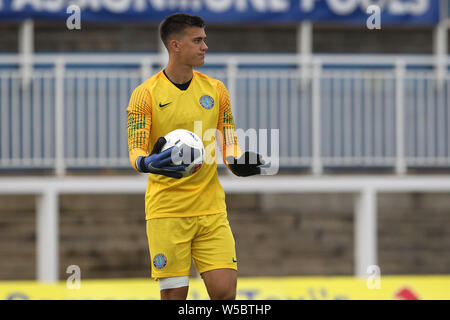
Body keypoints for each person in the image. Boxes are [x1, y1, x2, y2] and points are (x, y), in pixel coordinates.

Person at [126, 13, 266, 300]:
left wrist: (238, 162)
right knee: (175, 297)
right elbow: (136, 148)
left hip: (211, 209)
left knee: (225, 293)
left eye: (205, 40)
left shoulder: (216, 90)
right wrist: (145, 162)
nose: (205, 46)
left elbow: (230, 143)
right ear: (175, 45)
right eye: (198, 40)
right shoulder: (145, 94)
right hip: (167, 212)